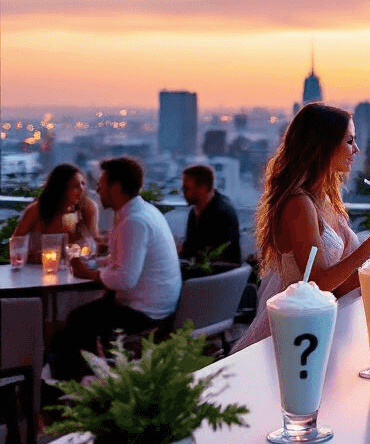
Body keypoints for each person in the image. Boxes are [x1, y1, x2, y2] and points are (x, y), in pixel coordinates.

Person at [232, 103, 370, 353]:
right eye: (349, 141)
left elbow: (341, 284)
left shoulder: (325, 198)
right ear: (323, 145)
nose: (356, 149)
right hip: (292, 334)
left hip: (319, 327)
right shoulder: (298, 204)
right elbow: (318, 283)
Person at [49, 157, 181, 381]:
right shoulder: (142, 212)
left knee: (76, 321)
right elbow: (122, 260)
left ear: (116, 187)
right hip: (159, 304)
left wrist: (87, 273)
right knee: (76, 323)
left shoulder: (134, 221)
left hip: (146, 312)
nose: (97, 189)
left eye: (102, 183)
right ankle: (81, 380)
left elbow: (125, 279)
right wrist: (96, 263)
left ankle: (80, 386)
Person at [11, 163, 99, 262]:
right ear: (60, 188)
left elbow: (92, 245)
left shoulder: (86, 209)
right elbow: (15, 243)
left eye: (83, 184)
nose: (81, 189)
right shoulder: (36, 210)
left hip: (71, 270)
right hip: (35, 269)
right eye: (74, 186)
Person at [180, 164, 242, 267]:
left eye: (186, 189)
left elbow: (217, 255)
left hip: (219, 275)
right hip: (201, 270)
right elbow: (190, 248)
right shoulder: (195, 211)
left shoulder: (223, 213)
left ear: (203, 188)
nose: (183, 193)